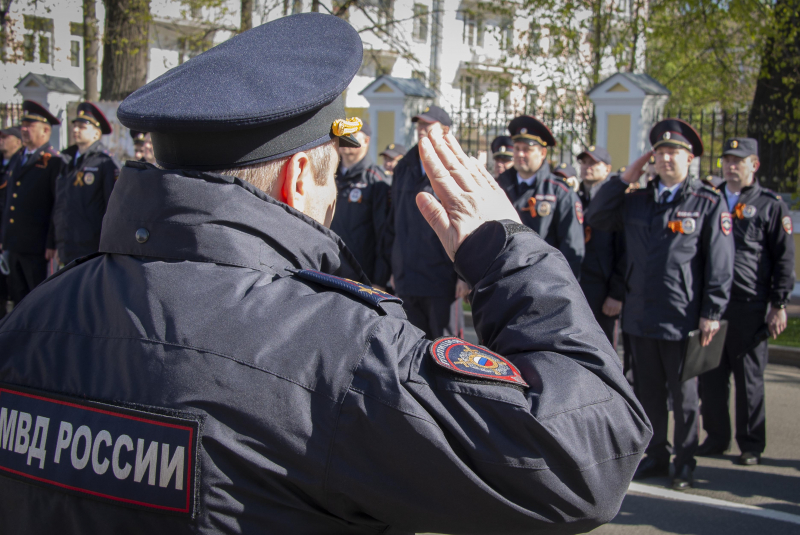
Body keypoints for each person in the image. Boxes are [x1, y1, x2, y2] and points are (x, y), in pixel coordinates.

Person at [0, 14, 651, 534]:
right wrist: (511, 252)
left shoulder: (34, 320)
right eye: (330, 172)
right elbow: (587, 458)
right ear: (300, 175)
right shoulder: (338, 350)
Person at [587, 118, 734, 490]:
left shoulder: (706, 202)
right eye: (660, 152)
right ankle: (655, 455)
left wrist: (711, 312)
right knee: (648, 392)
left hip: (683, 318)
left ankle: (684, 462)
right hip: (640, 315)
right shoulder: (636, 200)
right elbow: (597, 216)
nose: (667, 158)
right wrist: (626, 176)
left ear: (689, 159)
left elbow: (720, 262)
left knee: (684, 397)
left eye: (675, 152)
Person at [698, 138, 795, 465]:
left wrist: (778, 303)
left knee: (749, 379)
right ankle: (716, 437)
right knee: (710, 375)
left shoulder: (770, 204)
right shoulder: (710, 199)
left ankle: (751, 444)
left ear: (754, 164)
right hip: (712, 304)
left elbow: (784, 259)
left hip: (749, 304)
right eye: (727, 160)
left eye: (738, 160)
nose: (731, 166)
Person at [388, 105, 469, 338]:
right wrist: (390, 268)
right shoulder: (404, 167)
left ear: (445, 130)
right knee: (412, 349)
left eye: (427, 124)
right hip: (407, 277)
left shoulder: (456, 168)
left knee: (447, 349)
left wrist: (463, 276)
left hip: (441, 280)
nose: (421, 129)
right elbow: (393, 222)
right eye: (419, 124)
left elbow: (466, 225)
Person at [496, 116, 585, 278]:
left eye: (527, 149)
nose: (520, 154)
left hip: (542, 282)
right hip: (501, 280)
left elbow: (571, 247)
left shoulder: (560, 192)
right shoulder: (497, 186)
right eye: (517, 148)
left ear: (542, 153)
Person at [0, 100, 64, 303]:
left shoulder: (54, 161)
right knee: (18, 298)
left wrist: (52, 241)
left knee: (37, 299)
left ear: (45, 131)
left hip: (38, 246)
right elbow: (11, 198)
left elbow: (58, 205)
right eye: (23, 126)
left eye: (30, 126)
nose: (24, 130)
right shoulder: (18, 158)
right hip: (14, 243)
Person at [53, 102, 120, 267]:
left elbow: (112, 208)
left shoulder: (105, 163)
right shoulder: (66, 159)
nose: (75, 130)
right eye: (75, 126)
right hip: (66, 245)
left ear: (96, 133)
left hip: (90, 248)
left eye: (82, 126)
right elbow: (59, 204)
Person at [330, 122, 391, 288]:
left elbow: (384, 234)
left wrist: (379, 279)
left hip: (362, 276)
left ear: (366, 141)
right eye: (343, 135)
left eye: (353, 136)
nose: (346, 140)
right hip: (329, 269)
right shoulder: (330, 176)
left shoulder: (375, 180)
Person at [576, 146, 625, 345]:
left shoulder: (616, 202)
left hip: (603, 288)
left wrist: (616, 293)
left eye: (594, 163)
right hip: (578, 282)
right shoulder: (573, 197)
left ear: (607, 169)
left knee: (604, 350)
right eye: (584, 162)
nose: (588, 167)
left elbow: (624, 251)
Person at [0, 125, 22, 318]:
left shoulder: (20, 162)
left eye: (5, 137)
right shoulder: (8, 163)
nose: (1, 140)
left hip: (24, 241)